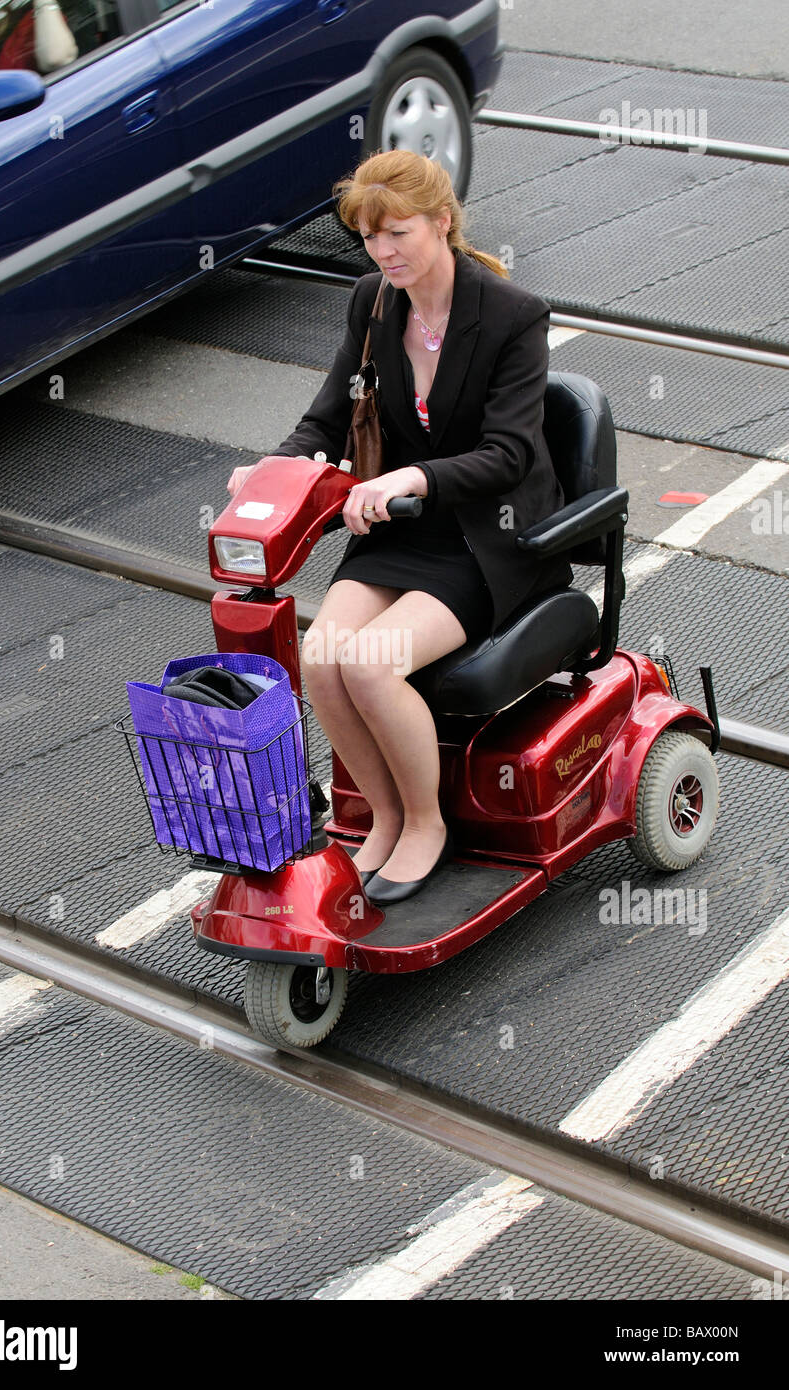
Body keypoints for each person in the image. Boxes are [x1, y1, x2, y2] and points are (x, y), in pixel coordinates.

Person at [227, 150, 573, 905]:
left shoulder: (513, 317)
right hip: (398, 531)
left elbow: (509, 453)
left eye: (398, 233)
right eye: (369, 237)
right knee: (321, 658)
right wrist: (271, 472)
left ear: (442, 224)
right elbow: (326, 414)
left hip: (484, 537)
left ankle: (425, 823)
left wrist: (412, 478)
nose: (384, 251)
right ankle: (382, 817)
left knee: (371, 664)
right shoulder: (373, 302)